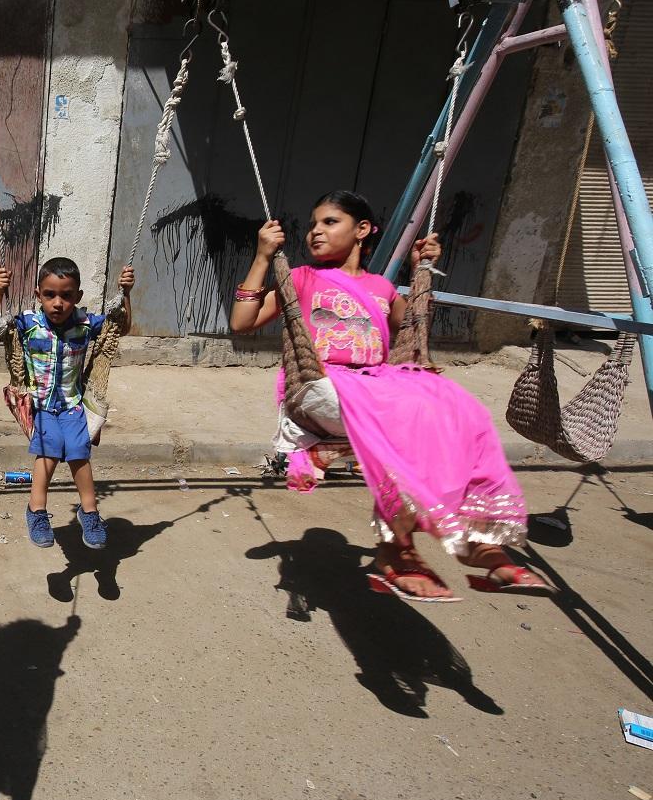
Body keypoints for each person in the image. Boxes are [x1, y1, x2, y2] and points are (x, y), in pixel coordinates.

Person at [229, 189, 553, 603]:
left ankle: (473, 538)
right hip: (321, 387)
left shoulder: (382, 289)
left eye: (329, 222)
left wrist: (422, 273)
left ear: (362, 230)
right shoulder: (302, 278)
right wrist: (261, 257)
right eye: (313, 224)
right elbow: (243, 321)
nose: (315, 232)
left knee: (461, 411)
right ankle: (397, 548)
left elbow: (413, 333)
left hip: (377, 388)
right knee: (407, 416)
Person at [0, 257, 135, 550]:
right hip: (39, 405)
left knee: (78, 453)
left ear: (78, 297)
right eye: (50, 295)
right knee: (49, 454)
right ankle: (36, 511)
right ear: (39, 295)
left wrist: (125, 294)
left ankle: (90, 514)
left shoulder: (86, 323)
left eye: (66, 295)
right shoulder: (27, 323)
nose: (58, 303)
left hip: (73, 404)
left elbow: (120, 328)